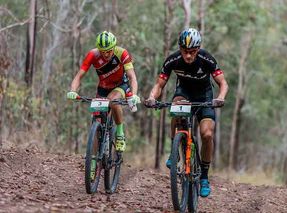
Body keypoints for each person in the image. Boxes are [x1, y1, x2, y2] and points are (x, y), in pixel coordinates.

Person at [145, 28, 228, 197]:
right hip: (184, 92)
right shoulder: (173, 60)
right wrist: (152, 97)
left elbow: (223, 83)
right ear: (180, 48)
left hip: (204, 95)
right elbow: (159, 85)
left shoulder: (206, 59)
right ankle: (174, 151)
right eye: (185, 51)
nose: (188, 56)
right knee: (176, 107)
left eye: (192, 52)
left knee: (206, 134)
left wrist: (220, 97)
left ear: (198, 49)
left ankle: (204, 176)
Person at [67, 31, 140, 152]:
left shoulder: (122, 53)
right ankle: (93, 163)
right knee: (97, 120)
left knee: (113, 101)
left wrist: (135, 94)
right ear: (98, 49)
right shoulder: (93, 55)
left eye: (109, 51)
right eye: (103, 51)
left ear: (114, 47)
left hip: (121, 85)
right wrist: (73, 91)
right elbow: (79, 75)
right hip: (103, 88)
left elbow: (132, 77)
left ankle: (120, 134)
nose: (106, 54)